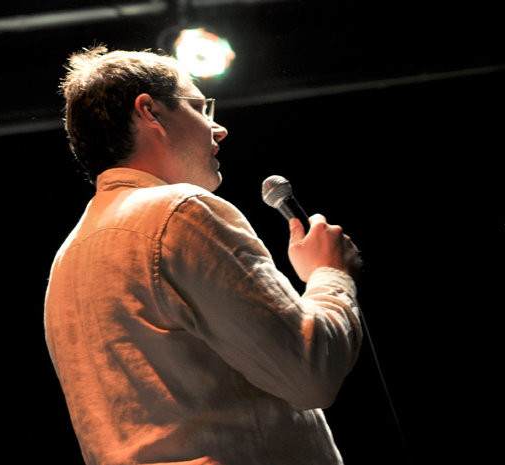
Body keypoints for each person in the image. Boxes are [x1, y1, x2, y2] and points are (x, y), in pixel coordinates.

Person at [44, 46, 363, 465]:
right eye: (200, 106)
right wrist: (329, 274)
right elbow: (309, 374)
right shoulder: (180, 210)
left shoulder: (68, 259)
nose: (219, 128)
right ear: (150, 112)